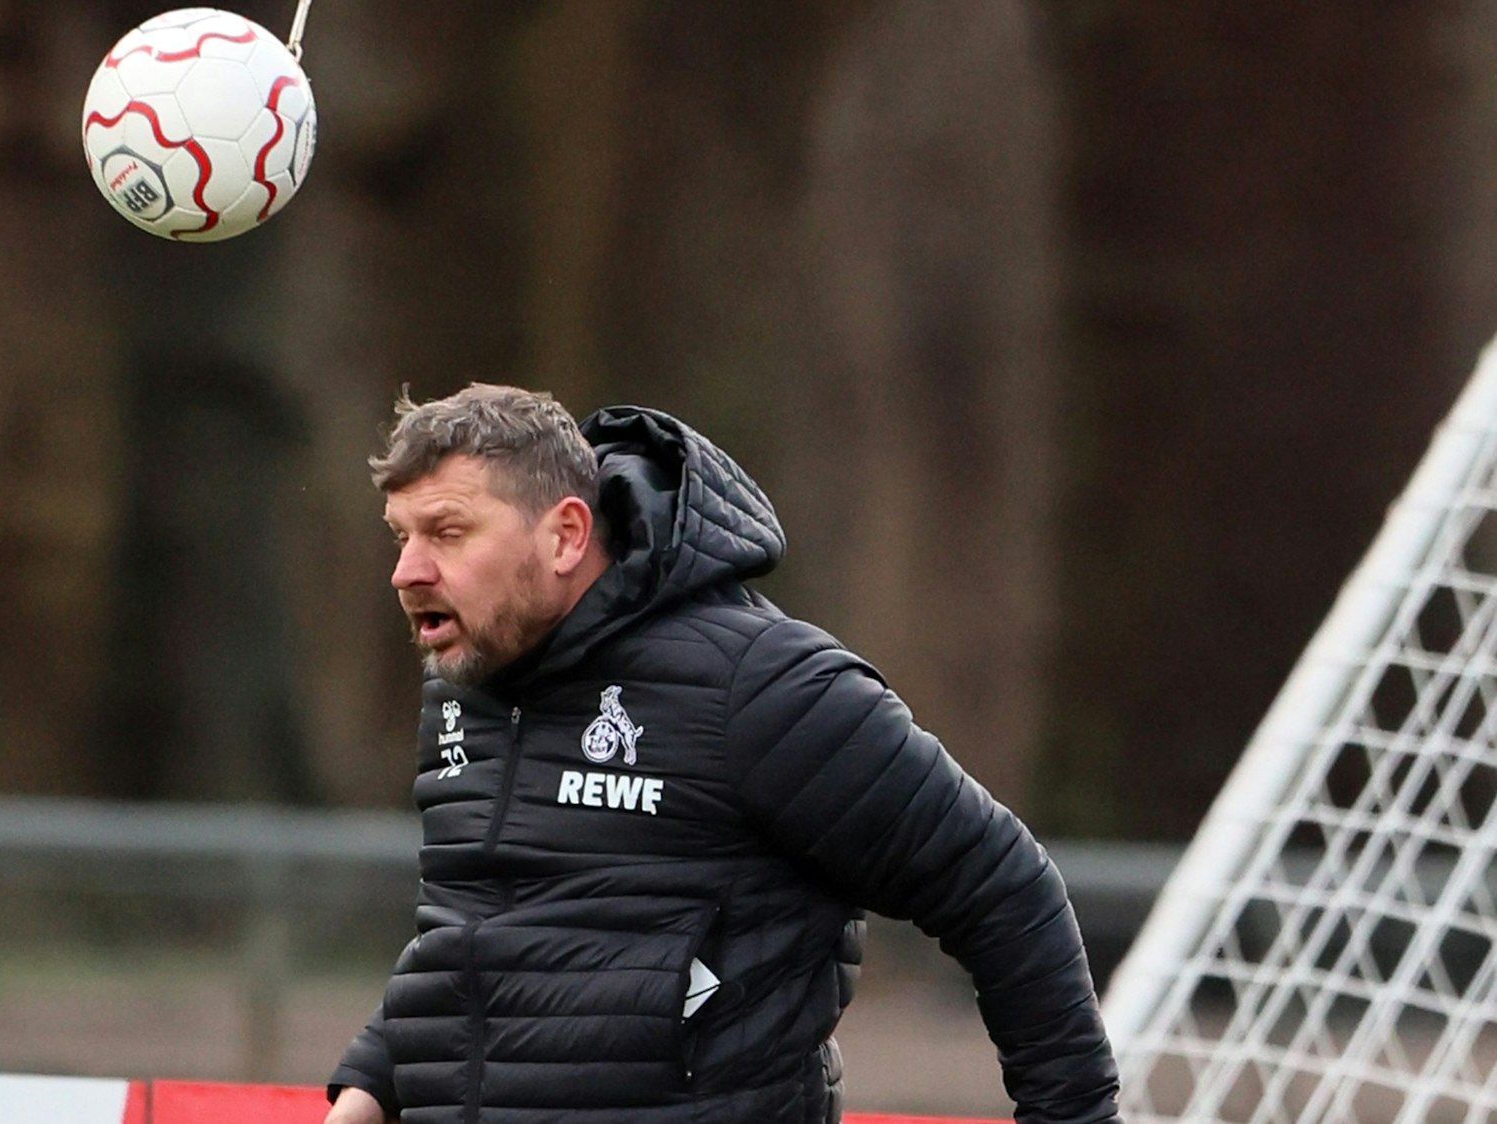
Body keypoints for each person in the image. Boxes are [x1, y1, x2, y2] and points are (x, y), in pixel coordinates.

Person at [324, 384, 1121, 1124]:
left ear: (565, 534)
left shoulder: (763, 685)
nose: (407, 570)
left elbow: (1002, 887)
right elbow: (480, 935)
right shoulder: (465, 690)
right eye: (402, 535)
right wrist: (367, 1087)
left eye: (448, 533)